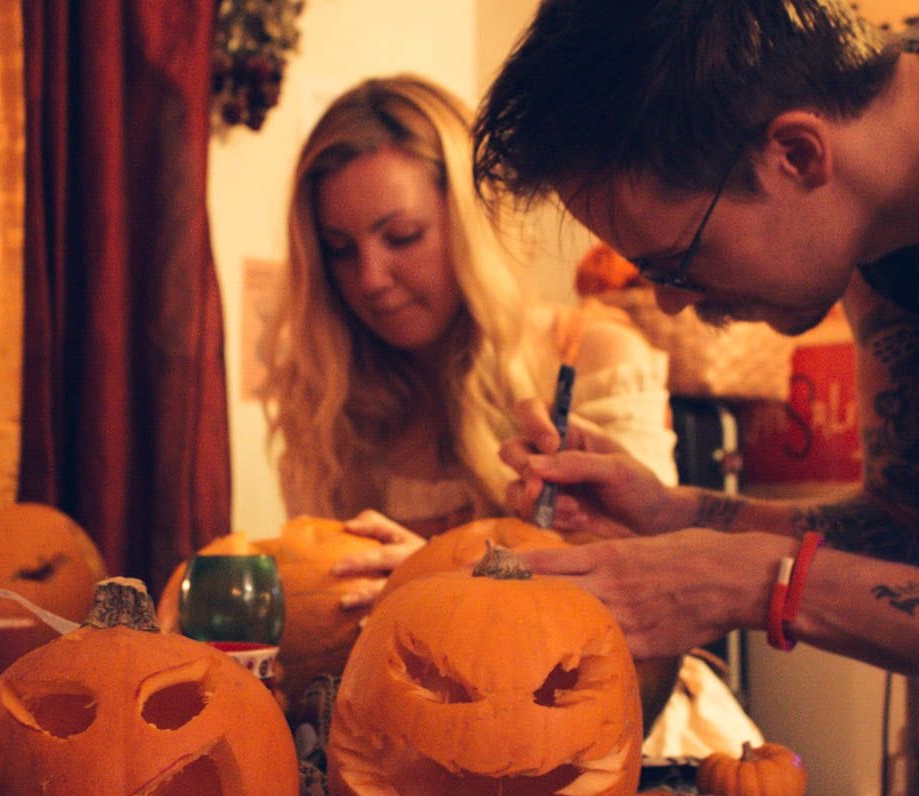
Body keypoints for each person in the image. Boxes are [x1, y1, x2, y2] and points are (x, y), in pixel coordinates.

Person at [473, 0, 919, 706]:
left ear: (797, 155)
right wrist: (669, 513)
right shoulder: (875, 203)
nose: (669, 301)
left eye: (676, 262)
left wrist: (759, 581)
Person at [260, 73, 678, 584]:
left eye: (402, 236)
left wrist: (439, 574)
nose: (368, 279)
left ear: (470, 225)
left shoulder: (594, 360)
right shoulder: (331, 402)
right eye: (340, 249)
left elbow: (648, 588)